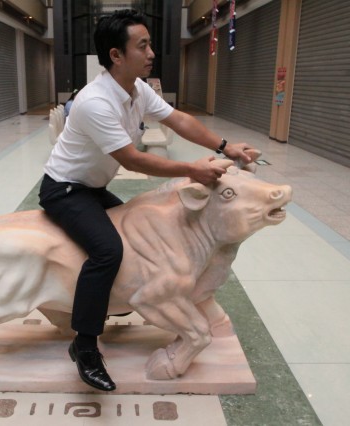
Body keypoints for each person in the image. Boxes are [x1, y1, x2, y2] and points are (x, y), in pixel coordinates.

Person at [39, 9, 256, 392]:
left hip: (91, 186)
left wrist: (225, 146)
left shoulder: (137, 89)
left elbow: (179, 120)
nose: (152, 53)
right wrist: (192, 170)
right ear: (116, 55)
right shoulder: (95, 102)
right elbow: (132, 159)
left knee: (145, 234)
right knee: (108, 251)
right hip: (66, 189)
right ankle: (85, 346)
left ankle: (126, 298)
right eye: (142, 46)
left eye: (150, 44)